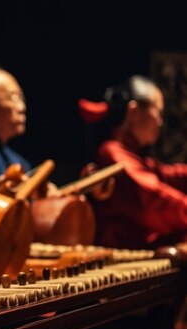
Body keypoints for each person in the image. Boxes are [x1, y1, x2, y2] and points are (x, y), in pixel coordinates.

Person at [79, 75, 187, 249]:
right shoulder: (112, 153)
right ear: (134, 111)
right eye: (158, 112)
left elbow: (168, 174)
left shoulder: (132, 156)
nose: (160, 122)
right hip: (120, 258)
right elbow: (153, 200)